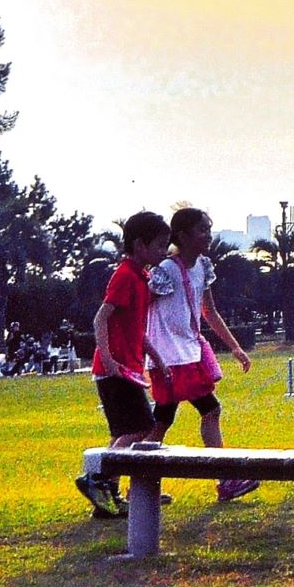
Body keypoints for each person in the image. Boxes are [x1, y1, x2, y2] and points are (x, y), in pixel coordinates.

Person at [145, 207, 259, 502]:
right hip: (170, 357)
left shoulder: (202, 266)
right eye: (202, 230)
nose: (208, 236)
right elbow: (141, 308)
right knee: (186, 414)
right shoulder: (166, 270)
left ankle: (140, 484)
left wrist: (234, 346)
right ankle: (223, 480)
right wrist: (145, 349)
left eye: (208, 229)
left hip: (189, 354)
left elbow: (209, 311)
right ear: (183, 236)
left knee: (171, 418)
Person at [74, 211, 171, 518]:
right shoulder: (126, 275)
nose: (164, 251)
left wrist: (157, 358)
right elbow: (101, 317)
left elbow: (135, 329)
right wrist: (109, 358)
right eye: (159, 245)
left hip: (126, 368)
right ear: (140, 244)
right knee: (141, 427)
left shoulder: (141, 278)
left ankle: (107, 498)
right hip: (115, 371)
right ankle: (98, 480)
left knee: (125, 432)